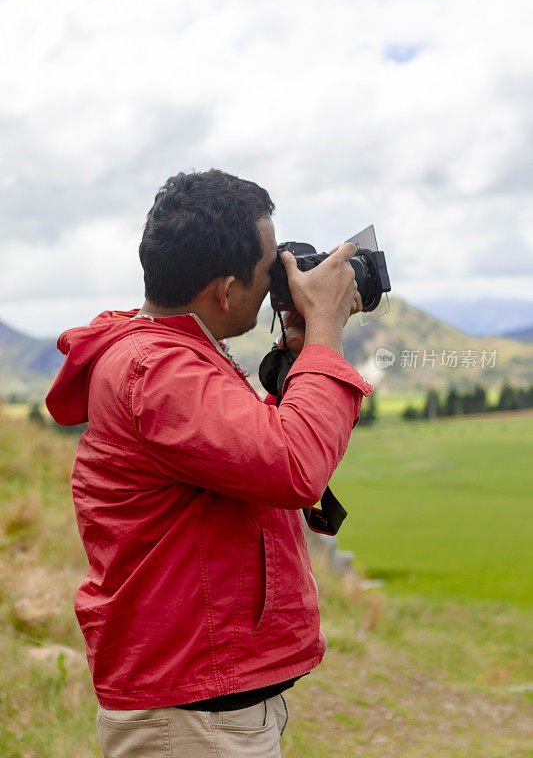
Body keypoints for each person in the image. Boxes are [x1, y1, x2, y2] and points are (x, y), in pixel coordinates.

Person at [46, 169, 373, 757]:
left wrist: (297, 352)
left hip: (203, 704)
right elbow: (294, 464)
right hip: (193, 717)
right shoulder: (160, 371)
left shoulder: (171, 355)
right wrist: (326, 328)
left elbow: (252, 450)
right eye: (271, 267)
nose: (283, 279)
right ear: (224, 292)